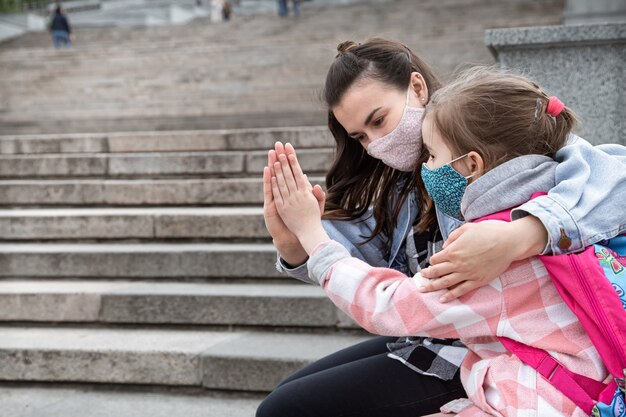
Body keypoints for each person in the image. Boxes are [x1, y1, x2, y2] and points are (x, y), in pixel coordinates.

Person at [258, 39, 626, 417]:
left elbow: (613, 173)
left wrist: (523, 234)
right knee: (288, 395)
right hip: (439, 326)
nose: (375, 145)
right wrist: (296, 244)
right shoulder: (398, 184)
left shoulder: (497, 140)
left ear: (417, 87)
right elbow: (374, 268)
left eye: (379, 121)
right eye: (360, 137)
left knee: (286, 408)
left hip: (490, 347)